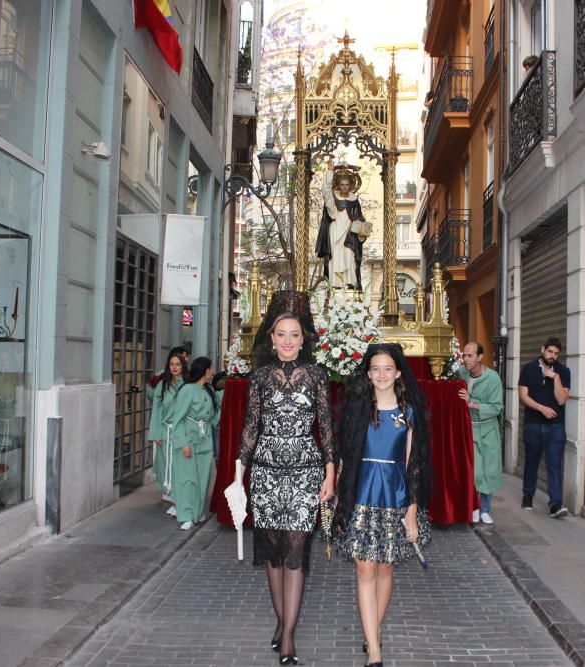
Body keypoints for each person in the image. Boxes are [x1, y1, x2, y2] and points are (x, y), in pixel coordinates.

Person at [235, 291, 335, 666]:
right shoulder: (259, 377)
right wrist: (237, 473)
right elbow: (250, 427)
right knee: (275, 554)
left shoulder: (318, 375)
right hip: (265, 473)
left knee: (295, 553)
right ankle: (281, 622)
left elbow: (326, 428)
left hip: (305, 473)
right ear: (272, 338)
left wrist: (330, 472)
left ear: (303, 337)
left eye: (294, 334)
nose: (288, 342)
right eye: (281, 334)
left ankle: (289, 635)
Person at [334, 343, 433, 667]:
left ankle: (372, 631)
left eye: (387, 368)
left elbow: (413, 462)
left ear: (399, 373)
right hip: (361, 494)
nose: (381, 375)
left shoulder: (409, 413)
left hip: (395, 496)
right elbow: (345, 455)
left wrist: (412, 509)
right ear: (368, 373)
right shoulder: (358, 409)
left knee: (385, 566)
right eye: (375, 368)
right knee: (364, 567)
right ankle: (374, 649)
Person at [518, 337, 571, 518]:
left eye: (556, 353)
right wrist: (541, 408)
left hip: (555, 427)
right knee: (531, 461)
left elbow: (562, 399)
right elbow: (523, 396)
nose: (552, 356)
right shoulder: (528, 369)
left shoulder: (563, 372)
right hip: (533, 424)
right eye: (550, 352)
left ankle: (555, 504)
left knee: (554, 464)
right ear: (543, 349)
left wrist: (555, 378)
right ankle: (528, 495)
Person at [167, 356, 219, 528]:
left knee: (203, 478)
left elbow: (213, 418)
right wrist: (183, 443)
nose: (212, 371)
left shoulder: (208, 390)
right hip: (188, 440)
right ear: (205, 370)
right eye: (210, 368)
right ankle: (186, 515)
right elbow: (178, 419)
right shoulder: (187, 390)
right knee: (187, 479)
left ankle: (197, 512)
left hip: (204, 441)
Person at [456, 342, 503, 525]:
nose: (465, 359)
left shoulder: (493, 379)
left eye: (470, 356)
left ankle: (485, 509)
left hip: (488, 429)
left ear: (480, 357)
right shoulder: (460, 373)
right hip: (470, 429)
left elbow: (496, 407)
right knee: (474, 471)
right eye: (464, 355)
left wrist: (471, 403)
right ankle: (474, 507)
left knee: (488, 471)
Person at [315, 158, 369, 290]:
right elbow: (326, 191)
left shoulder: (354, 200)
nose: (344, 187)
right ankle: (335, 285)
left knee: (349, 256)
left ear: (351, 185)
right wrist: (329, 172)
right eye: (342, 184)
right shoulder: (332, 198)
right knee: (335, 258)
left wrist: (362, 229)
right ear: (338, 185)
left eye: (347, 184)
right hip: (335, 232)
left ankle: (349, 283)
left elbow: (359, 218)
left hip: (350, 235)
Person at [148, 346, 189, 506]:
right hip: (165, 429)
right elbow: (156, 410)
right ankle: (167, 490)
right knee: (164, 461)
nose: (174, 367)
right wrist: (156, 434)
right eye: (171, 364)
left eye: (177, 364)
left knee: (179, 462)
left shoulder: (187, 384)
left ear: (182, 366)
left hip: (181, 430)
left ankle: (179, 492)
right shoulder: (162, 385)